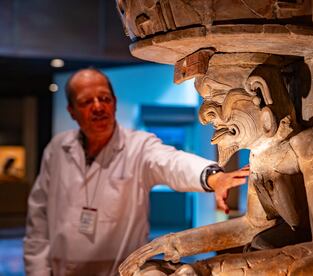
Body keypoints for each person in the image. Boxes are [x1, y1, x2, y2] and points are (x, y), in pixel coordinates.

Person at [23, 68, 249, 276]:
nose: (98, 107)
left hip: (120, 269)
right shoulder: (57, 149)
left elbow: (171, 162)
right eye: (86, 102)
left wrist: (213, 177)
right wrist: (37, 271)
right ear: (72, 111)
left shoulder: (138, 146)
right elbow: (38, 218)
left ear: (115, 103)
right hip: (63, 269)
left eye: (104, 99)